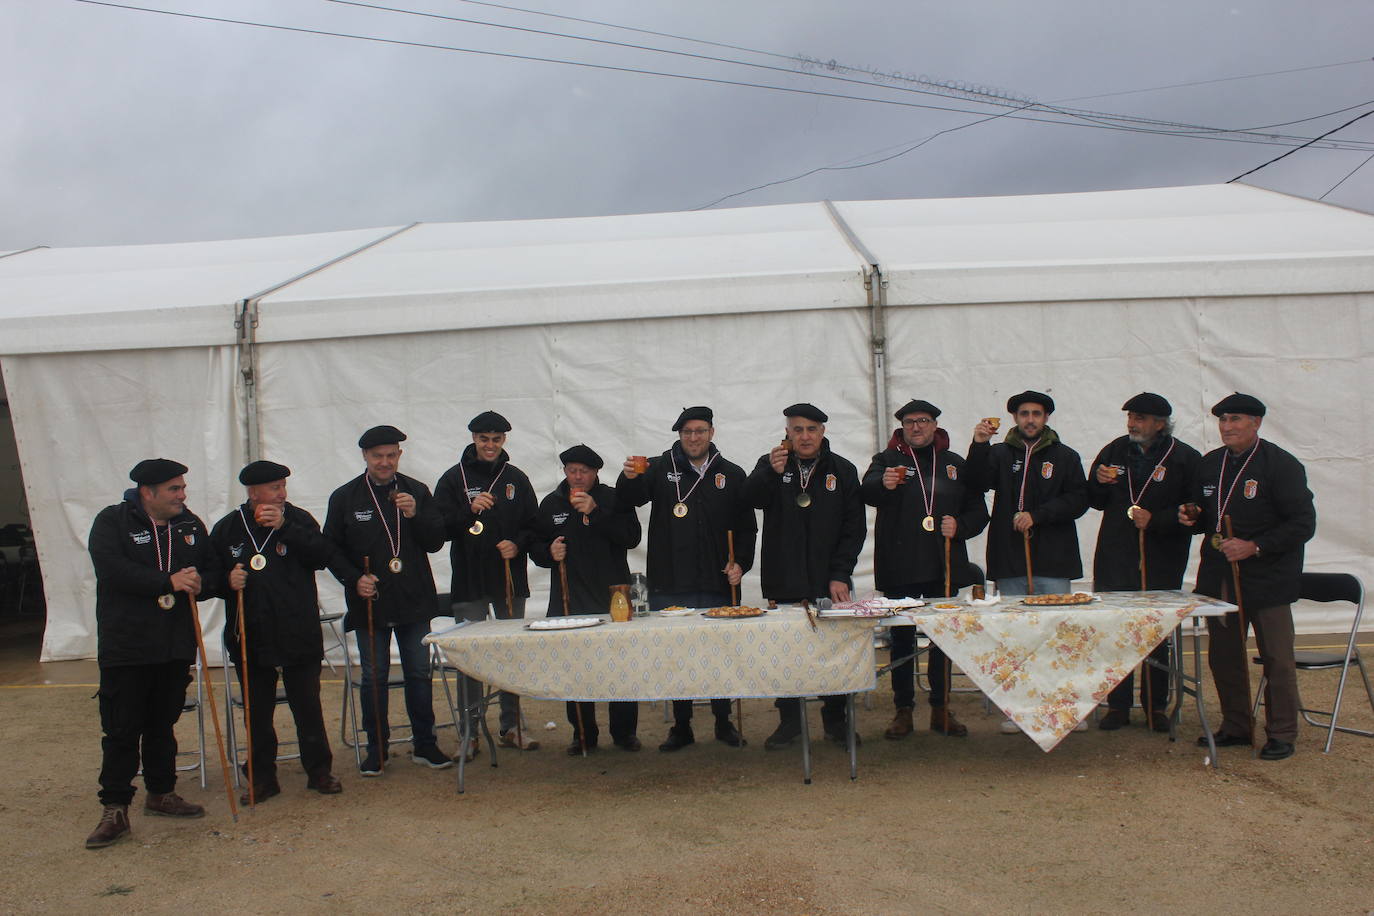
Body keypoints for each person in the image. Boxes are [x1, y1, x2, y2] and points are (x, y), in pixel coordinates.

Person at [85, 459, 221, 849]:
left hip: (174, 644)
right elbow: (111, 570)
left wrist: (202, 582)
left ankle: (161, 793)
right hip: (127, 645)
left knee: (162, 724)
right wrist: (167, 580)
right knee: (122, 729)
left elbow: (210, 571)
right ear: (148, 492)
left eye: (182, 488)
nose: (182, 495)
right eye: (174, 489)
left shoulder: (189, 524)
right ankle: (114, 807)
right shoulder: (113, 521)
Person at [1181, 393, 1315, 761]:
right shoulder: (1210, 464)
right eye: (1222, 420)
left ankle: (1282, 733)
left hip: (1268, 578)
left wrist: (1255, 546)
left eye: (1235, 420)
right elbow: (1206, 513)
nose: (1227, 427)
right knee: (1224, 657)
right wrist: (1191, 516)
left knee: (1277, 659)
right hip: (1221, 577)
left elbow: (1303, 524)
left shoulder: (1281, 465)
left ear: (1256, 423)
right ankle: (1237, 726)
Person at [617, 405, 756, 751]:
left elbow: (746, 527)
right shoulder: (659, 467)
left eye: (700, 431)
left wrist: (741, 562)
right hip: (669, 581)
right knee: (676, 656)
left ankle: (723, 722)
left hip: (716, 580)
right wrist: (629, 477)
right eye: (687, 432)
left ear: (712, 433)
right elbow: (629, 498)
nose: (693, 438)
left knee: (720, 654)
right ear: (679, 435)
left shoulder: (732, 473)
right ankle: (681, 726)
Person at [211, 460, 343, 803]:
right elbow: (208, 577)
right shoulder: (228, 528)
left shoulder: (298, 519)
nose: (282, 493)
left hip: (298, 629)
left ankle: (319, 771)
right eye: (274, 488)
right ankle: (261, 777)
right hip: (250, 634)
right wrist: (226, 581)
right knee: (257, 712)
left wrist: (286, 527)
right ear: (254, 493)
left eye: (283, 486)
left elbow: (323, 555)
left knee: (307, 705)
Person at [324, 425, 450, 776]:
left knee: (419, 673)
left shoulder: (417, 491)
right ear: (365, 457)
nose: (384, 462)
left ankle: (425, 743)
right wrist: (354, 579)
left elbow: (436, 541)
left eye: (391, 455)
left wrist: (416, 515)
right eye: (377, 456)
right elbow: (329, 548)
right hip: (371, 601)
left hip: (413, 599)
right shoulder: (345, 497)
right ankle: (376, 748)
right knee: (374, 676)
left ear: (399, 456)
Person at [860, 399, 988, 741]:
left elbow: (979, 510)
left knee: (941, 640)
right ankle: (903, 709)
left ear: (935, 426)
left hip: (941, 565)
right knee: (900, 640)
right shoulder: (886, 460)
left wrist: (960, 526)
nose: (917, 427)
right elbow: (865, 491)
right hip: (898, 564)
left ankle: (940, 707)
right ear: (901, 427)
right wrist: (882, 484)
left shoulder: (954, 464)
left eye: (924, 421)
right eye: (910, 422)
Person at [744, 404, 866, 748]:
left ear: (822, 432)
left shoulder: (842, 470)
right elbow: (748, 499)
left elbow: (853, 527)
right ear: (788, 433)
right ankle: (790, 722)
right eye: (797, 430)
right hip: (784, 578)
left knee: (835, 650)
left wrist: (841, 573)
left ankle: (836, 720)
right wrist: (770, 471)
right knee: (785, 652)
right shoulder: (770, 463)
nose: (805, 436)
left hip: (830, 579)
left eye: (811, 429)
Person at [969, 390, 1089, 733]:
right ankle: (1018, 708)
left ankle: (1065, 708)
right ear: (1015, 418)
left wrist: (1039, 515)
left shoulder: (1065, 456)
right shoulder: (998, 453)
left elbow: (1079, 499)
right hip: (1010, 557)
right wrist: (978, 445)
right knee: (1015, 637)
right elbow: (975, 484)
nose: (1031, 419)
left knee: (1057, 636)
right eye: (1024, 413)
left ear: (1046, 418)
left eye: (1037, 413)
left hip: (1053, 558)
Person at [1086, 393, 1202, 731]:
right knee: (1116, 633)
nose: (1132, 423)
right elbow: (1092, 500)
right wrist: (1098, 481)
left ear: (1160, 423)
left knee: (1155, 634)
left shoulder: (1184, 458)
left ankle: (1156, 707)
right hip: (1116, 555)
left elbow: (1194, 511)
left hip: (1161, 556)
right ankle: (1117, 706)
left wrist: (1157, 520)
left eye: (1139, 418)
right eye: (1130, 417)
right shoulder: (1114, 450)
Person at [433, 410, 541, 752]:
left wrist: (518, 544)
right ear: (473, 440)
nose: (490, 445)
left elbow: (534, 525)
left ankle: (511, 726)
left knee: (510, 654)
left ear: (504, 440)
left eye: (496, 439)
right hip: (469, 579)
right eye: (484, 439)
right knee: (470, 657)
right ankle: (470, 732)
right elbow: (437, 530)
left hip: (509, 579)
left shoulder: (516, 479)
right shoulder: (453, 480)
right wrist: (468, 511)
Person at [529, 444, 644, 754]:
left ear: (595, 473)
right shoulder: (551, 503)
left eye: (584, 471)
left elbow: (631, 536)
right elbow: (535, 545)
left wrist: (595, 513)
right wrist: (548, 553)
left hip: (611, 595)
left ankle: (623, 732)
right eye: (572, 471)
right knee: (575, 669)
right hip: (569, 596)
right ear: (565, 472)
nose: (577, 477)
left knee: (620, 666)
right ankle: (582, 733)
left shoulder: (613, 498)